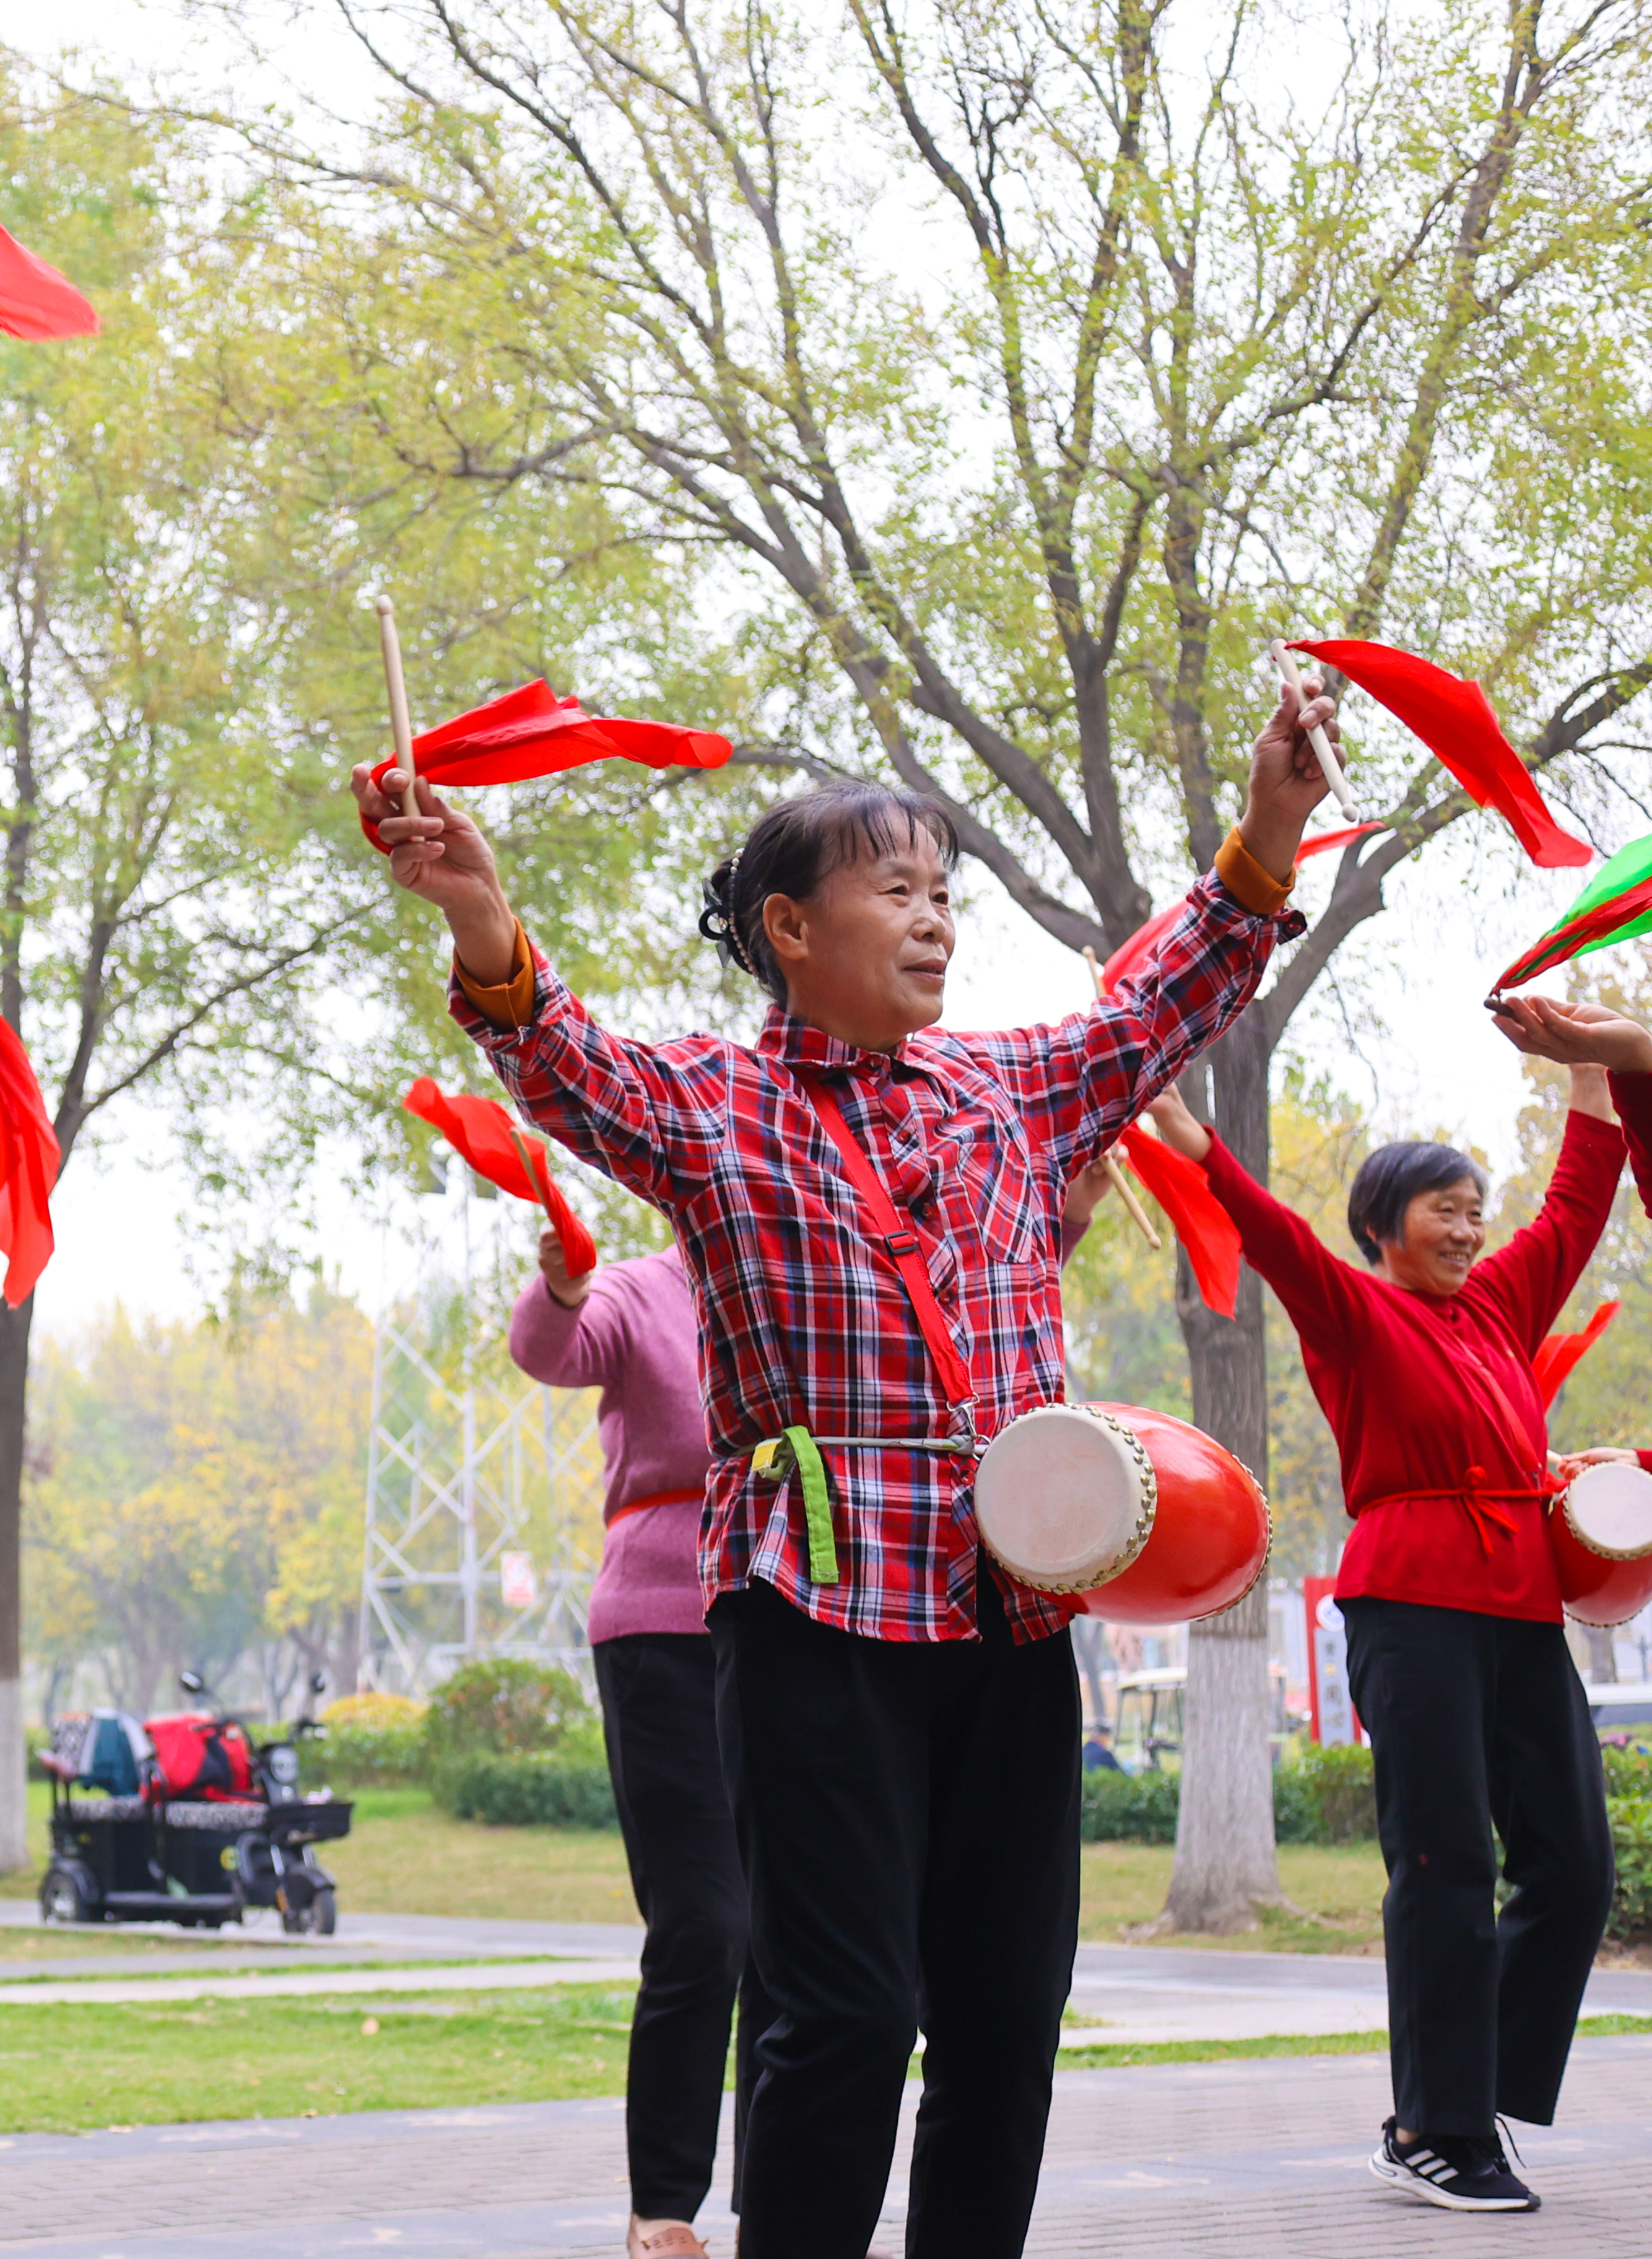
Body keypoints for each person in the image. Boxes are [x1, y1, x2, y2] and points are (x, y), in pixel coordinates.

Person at [352, 680, 1332, 2259]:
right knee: (846, 2018)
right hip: (812, 1607)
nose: (938, 921)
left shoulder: (1010, 1089)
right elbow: (557, 1056)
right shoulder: (711, 1107)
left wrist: (1271, 827)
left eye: (946, 893)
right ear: (791, 931)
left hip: (1012, 1612)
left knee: (1008, 2025)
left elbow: (1157, 1008)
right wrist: (477, 906)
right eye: (898, 891)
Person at [1146, 995, 1652, 2215]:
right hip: (1409, 1602)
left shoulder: (1501, 1306)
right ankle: (1436, 2128)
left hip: (1525, 1607)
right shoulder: (1352, 1309)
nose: (1472, 1226)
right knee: (1441, 1867)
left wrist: (1589, 1059)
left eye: (1478, 1208)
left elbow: (1580, 1204)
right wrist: (1188, 1135)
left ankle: (1479, 2097)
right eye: (1445, 1207)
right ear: (1384, 1225)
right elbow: (1264, 1234)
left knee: (1574, 1868)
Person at [507, 1224, 762, 2259]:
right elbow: (550, 1350)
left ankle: (793, 2206)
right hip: (663, 1630)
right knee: (706, 1927)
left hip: (803, 1625)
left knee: (807, 1936)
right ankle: (663, 2204)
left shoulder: (800, 1281)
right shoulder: (638, 1292)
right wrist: (560, 1289)